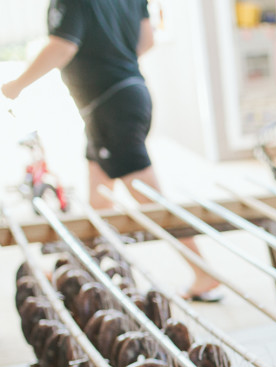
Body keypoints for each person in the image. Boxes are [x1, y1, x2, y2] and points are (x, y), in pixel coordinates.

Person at [1, 0, 221, 301]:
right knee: (99, 202)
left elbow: (62, 47)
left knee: (149, 199)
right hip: (129, 94)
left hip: (111, 108)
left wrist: (16, 85)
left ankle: (205, 273)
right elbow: (146, 40)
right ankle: (79, 270)